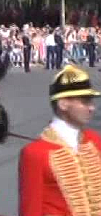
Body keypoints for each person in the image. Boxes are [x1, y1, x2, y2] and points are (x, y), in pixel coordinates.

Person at [18, 65, 101, 216]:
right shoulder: (34, 153)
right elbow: (31, 209)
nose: (92, 108)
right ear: (63, 104)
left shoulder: (94, 140)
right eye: (85, 101)